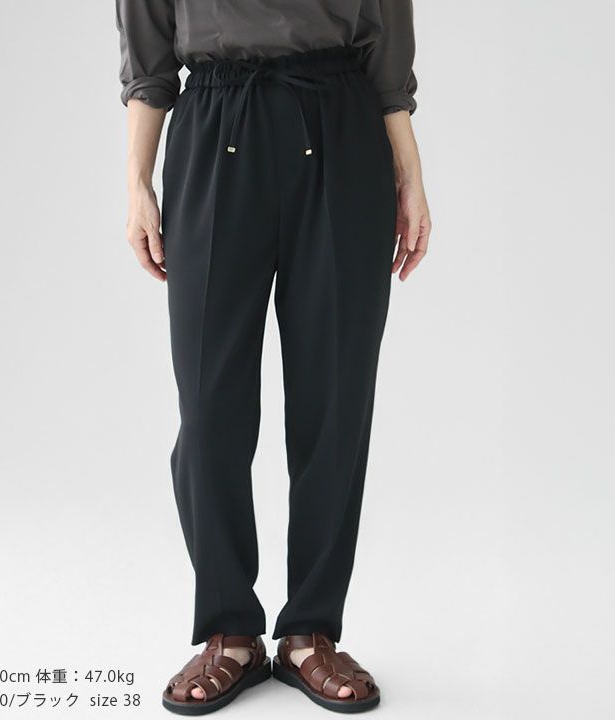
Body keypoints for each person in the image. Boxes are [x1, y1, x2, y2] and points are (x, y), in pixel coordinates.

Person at [116, 0, 431, 713]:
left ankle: (310, 631)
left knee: (335, 397)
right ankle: (229, 629)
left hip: (342, 123)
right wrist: (136, 182)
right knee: (209, 404)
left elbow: (387, 45)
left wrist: (410, 171)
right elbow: (148, 53)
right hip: (215, 122)